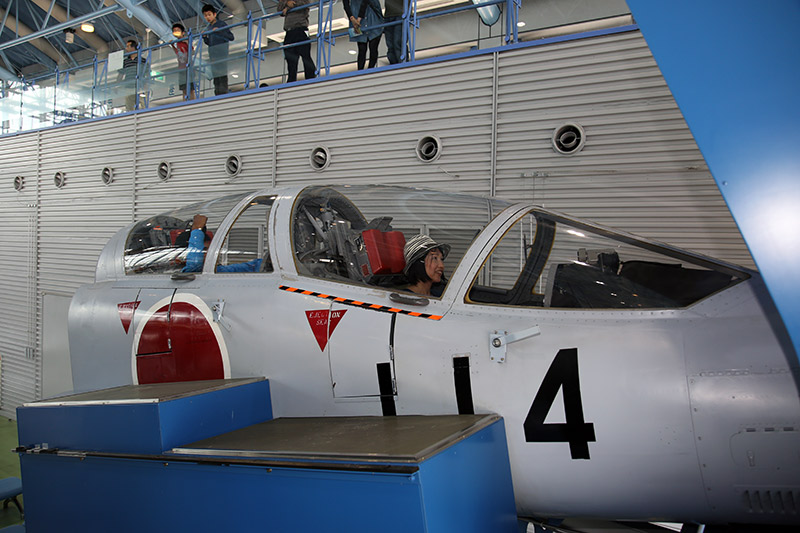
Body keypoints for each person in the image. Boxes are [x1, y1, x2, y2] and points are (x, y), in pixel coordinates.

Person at [182, 214, 263, 273]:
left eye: (208, 250)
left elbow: (250, 268)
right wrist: (197, 230)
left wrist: (265, 262)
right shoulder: (182, 276)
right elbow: (193, 269)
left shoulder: (217, 271)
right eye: (202, 251)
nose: (209, 254)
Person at [277, 0, 317, 83]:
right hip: (289, 32)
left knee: (305, 55)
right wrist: (287, 3)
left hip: (301, 29)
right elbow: (279, 9)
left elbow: (304, 4)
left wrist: (288, 7)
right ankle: (291, 80)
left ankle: (310, 77)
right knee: (290, 59)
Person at [202, 4, 234, 96]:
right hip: (213, 55)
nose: (207, 17)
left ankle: (223, 95)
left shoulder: (221, 24)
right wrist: (205, 38)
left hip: (222, 54)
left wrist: (219, 30)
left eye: (209, 14)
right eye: (205, 15)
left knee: (222, 75)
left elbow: (231, 37)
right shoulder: (209, 27)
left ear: (214, 14)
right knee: (216, 77)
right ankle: (217, 95)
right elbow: (210, 43)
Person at [343, 0, 384, 70]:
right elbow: (345, 5)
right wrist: (353, 20)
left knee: (372, 47)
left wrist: (357, 20)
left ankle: (370, 71)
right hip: (357, 21)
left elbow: (365, 2)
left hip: (372, 19)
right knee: (362, 49)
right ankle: (361, 72)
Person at [171, 23, 194, 100]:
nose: (176, 32)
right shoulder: (178, 43)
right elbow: (177, 53)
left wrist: (187, 42)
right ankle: (185, 102)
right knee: (183, 88)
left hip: (188, 67)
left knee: (190, 88)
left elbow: (192, 51)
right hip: (181, 68)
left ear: (183, 32)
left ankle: (192, 102)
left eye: (177, 30)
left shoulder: (186, 40)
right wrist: (172, 45)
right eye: (174, 31)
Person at [118, 40, 142, 111]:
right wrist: (118, 85)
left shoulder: (142, 60)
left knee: (143, 103)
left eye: (128, 46)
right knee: (129, 106)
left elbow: (146, 73)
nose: (126, 48)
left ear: (133, 47)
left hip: (140, 86)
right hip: (128, 86)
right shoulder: (126, 61)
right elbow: (120, 74)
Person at [383, 0, 405, 64]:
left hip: (400, 14)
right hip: (389, 15)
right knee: (391, 45)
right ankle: (395, 65)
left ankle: (402, 64)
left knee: (397, 42)